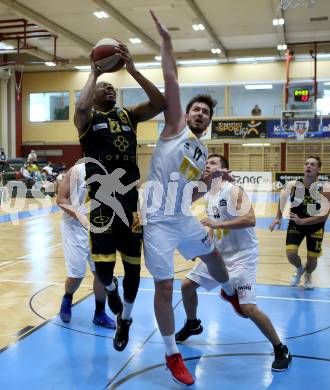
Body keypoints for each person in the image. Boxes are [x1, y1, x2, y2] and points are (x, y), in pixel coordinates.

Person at [144, 11, 243, 386]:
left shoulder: (202, 152)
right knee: (165, 286)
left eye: (206, 112)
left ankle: (231, 294)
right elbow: (171, 77)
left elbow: (193, 192)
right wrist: (167, 42)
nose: (200, 113)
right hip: (157, 222)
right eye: (196, 109)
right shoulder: (175, 127)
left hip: (182, 216)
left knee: (216, 261)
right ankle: (172, 354)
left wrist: (213, 178)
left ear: (209, 121)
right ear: (186, 114)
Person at [74, 37, 167, 351]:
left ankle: (125, 320)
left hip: (130, 201)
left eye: (113, 86)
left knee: (132, 267)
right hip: (101, 199)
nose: (110, 89)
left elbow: (161, 103)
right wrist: (94, 72)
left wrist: (134, 70)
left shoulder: (129, 115)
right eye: (105, 87)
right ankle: (109, 290)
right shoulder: (88, 119)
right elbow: (81, 106)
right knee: (102, 269)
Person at [175, 154, 292, 372]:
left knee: (248, 307)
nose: (208, 166)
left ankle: (280, 347)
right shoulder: (209, 195)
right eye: (206, 163)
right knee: (186, 286)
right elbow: (213, 224)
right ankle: (192, 324)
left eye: (213, 163)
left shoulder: (234, 190)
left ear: (224, 170)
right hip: (220, 254)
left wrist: (216, 226)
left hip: (243, 256)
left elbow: (250, 220)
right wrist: (203, 248)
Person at [57, 163, 116, 328]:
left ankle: (100, 314)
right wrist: (79, 216)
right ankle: (68, 297)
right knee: (76, 274)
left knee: (101, 273)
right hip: (74, 227)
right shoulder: (76, 170)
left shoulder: (113, 170)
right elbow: (60, 199)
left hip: (100, 227)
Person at [270, 156, 330, 289]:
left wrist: (303, 221)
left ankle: (308, 274)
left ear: (318, 169)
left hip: (315, 226)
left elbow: (324, 216)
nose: (309, 166)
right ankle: (300, 268)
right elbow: (282, 199)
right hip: (296, 223)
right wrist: (278, 217)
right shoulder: (293, 185)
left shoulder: (325, 188)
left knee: (312, 259)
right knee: (291, 254)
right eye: (307, 164)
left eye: (313, 164)